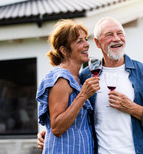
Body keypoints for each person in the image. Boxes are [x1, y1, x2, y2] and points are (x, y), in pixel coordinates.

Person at [38, 17, 143, 154]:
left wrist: (133, 108)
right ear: (97, 42)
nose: (116, 38)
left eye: (120, 33)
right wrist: (49, 134)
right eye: (109, 35)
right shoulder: (86, 76)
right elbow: (70, 115)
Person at [36, 19, 100, 154]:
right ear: (64, 50)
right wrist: (83, 96)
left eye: (85, 39)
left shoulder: (79, 79)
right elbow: (57, 128)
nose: (87, 45)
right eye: (79, 41)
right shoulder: (61, 79)